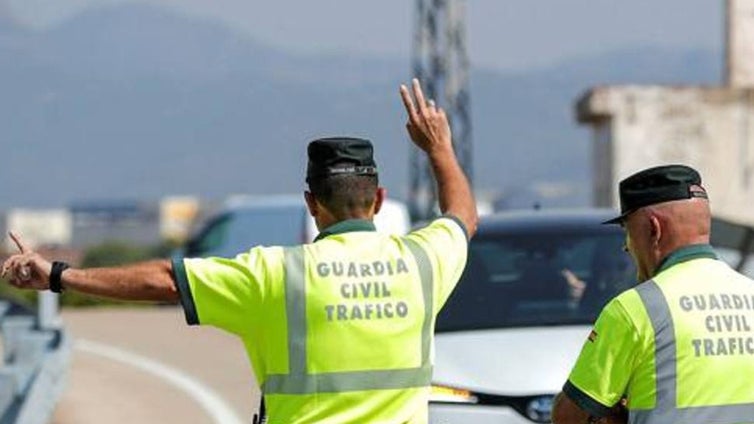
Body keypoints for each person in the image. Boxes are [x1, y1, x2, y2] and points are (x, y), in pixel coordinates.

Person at [0, 79, 477, 424]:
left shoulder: (277, 273)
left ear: (311, 203)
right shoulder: (423, 263)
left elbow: (166, 280)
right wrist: (439, 148)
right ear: (378, 199)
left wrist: (58, 276)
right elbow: (461, 216)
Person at [552, 164, 754, 424]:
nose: (626, 246)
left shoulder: (635, 308)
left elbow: (569, 417)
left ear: (653, 229)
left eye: (627, 230)